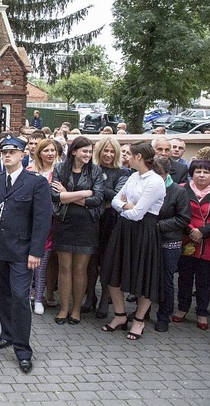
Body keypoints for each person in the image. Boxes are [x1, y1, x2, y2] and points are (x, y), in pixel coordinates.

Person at [0, 136, 51, 373]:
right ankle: (7, 334)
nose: (7, 155)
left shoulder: (35, 182)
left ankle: (23, 350)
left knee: (21, 298)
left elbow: (42, 220)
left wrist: (36, 251)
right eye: (4, 152)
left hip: (22, 252)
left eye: (13, 152)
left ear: (23, 155)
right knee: (2, 295)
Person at [101, 141, 166, 341]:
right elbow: (114, 201)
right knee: (113, 272)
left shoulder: (155, 181)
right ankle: (120, 315)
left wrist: (125, 207)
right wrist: (126, 206)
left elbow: (138, 214)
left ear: (138, 157)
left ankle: (139, 320)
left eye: (129, 154)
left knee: (143, 275)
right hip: (124, 230)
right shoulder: (132, 176)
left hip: (144, 231)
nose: (125, 157)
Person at [50, 136, 104, 325]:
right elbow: (55, 197)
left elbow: (97, 199)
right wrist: (83, 193)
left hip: (87, 225)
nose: (88, 155)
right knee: (65, 268)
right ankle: (64, 309)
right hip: (64, 223)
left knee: (80, 269)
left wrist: (68, 195)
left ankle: (76, 310)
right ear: (74, 151)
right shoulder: (59, 168)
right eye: (84, 151)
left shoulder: (95, 170)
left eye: (90, 151)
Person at [173, 159, 210, 331]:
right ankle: (182, 308)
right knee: (184, 278)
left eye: (206, 172)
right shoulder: (182, 189)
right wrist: (191, 231)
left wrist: (203, 232)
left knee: (205, 281)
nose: (201, 175)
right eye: (198, 171)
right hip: (186, 240)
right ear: (192, 173)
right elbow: (176, 211)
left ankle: (202, 312)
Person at [88, 137, 129, 320]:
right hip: (91, 220)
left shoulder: (123, 173)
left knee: (107, 263)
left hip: (111, 222)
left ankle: (105, 299)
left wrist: (98, 189)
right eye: (105, 150)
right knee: (90, 262)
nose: (108, 154)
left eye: (112, 151)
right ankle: (89, 297)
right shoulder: (91, 168)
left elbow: (118, 198)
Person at [152, 157, 190, 332]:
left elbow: (183, 218)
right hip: (149, 239)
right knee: (146, 275)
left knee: (166, 279)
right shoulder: (148, 187)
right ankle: (141, 313)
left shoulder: (178, 191)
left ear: (167, 173)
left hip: (170, 240)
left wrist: (158, 226)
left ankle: (164, 315)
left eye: (159, 174)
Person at [26, 139, 59, 314]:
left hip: (52, 222)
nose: (50, 153)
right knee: (29, 263)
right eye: (46, 150)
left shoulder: (59, 172)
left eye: (53, 150)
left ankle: (39, 297)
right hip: (31, 222)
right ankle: (29, 295)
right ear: (39, 153)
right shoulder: (30, 171)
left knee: (43, 264)